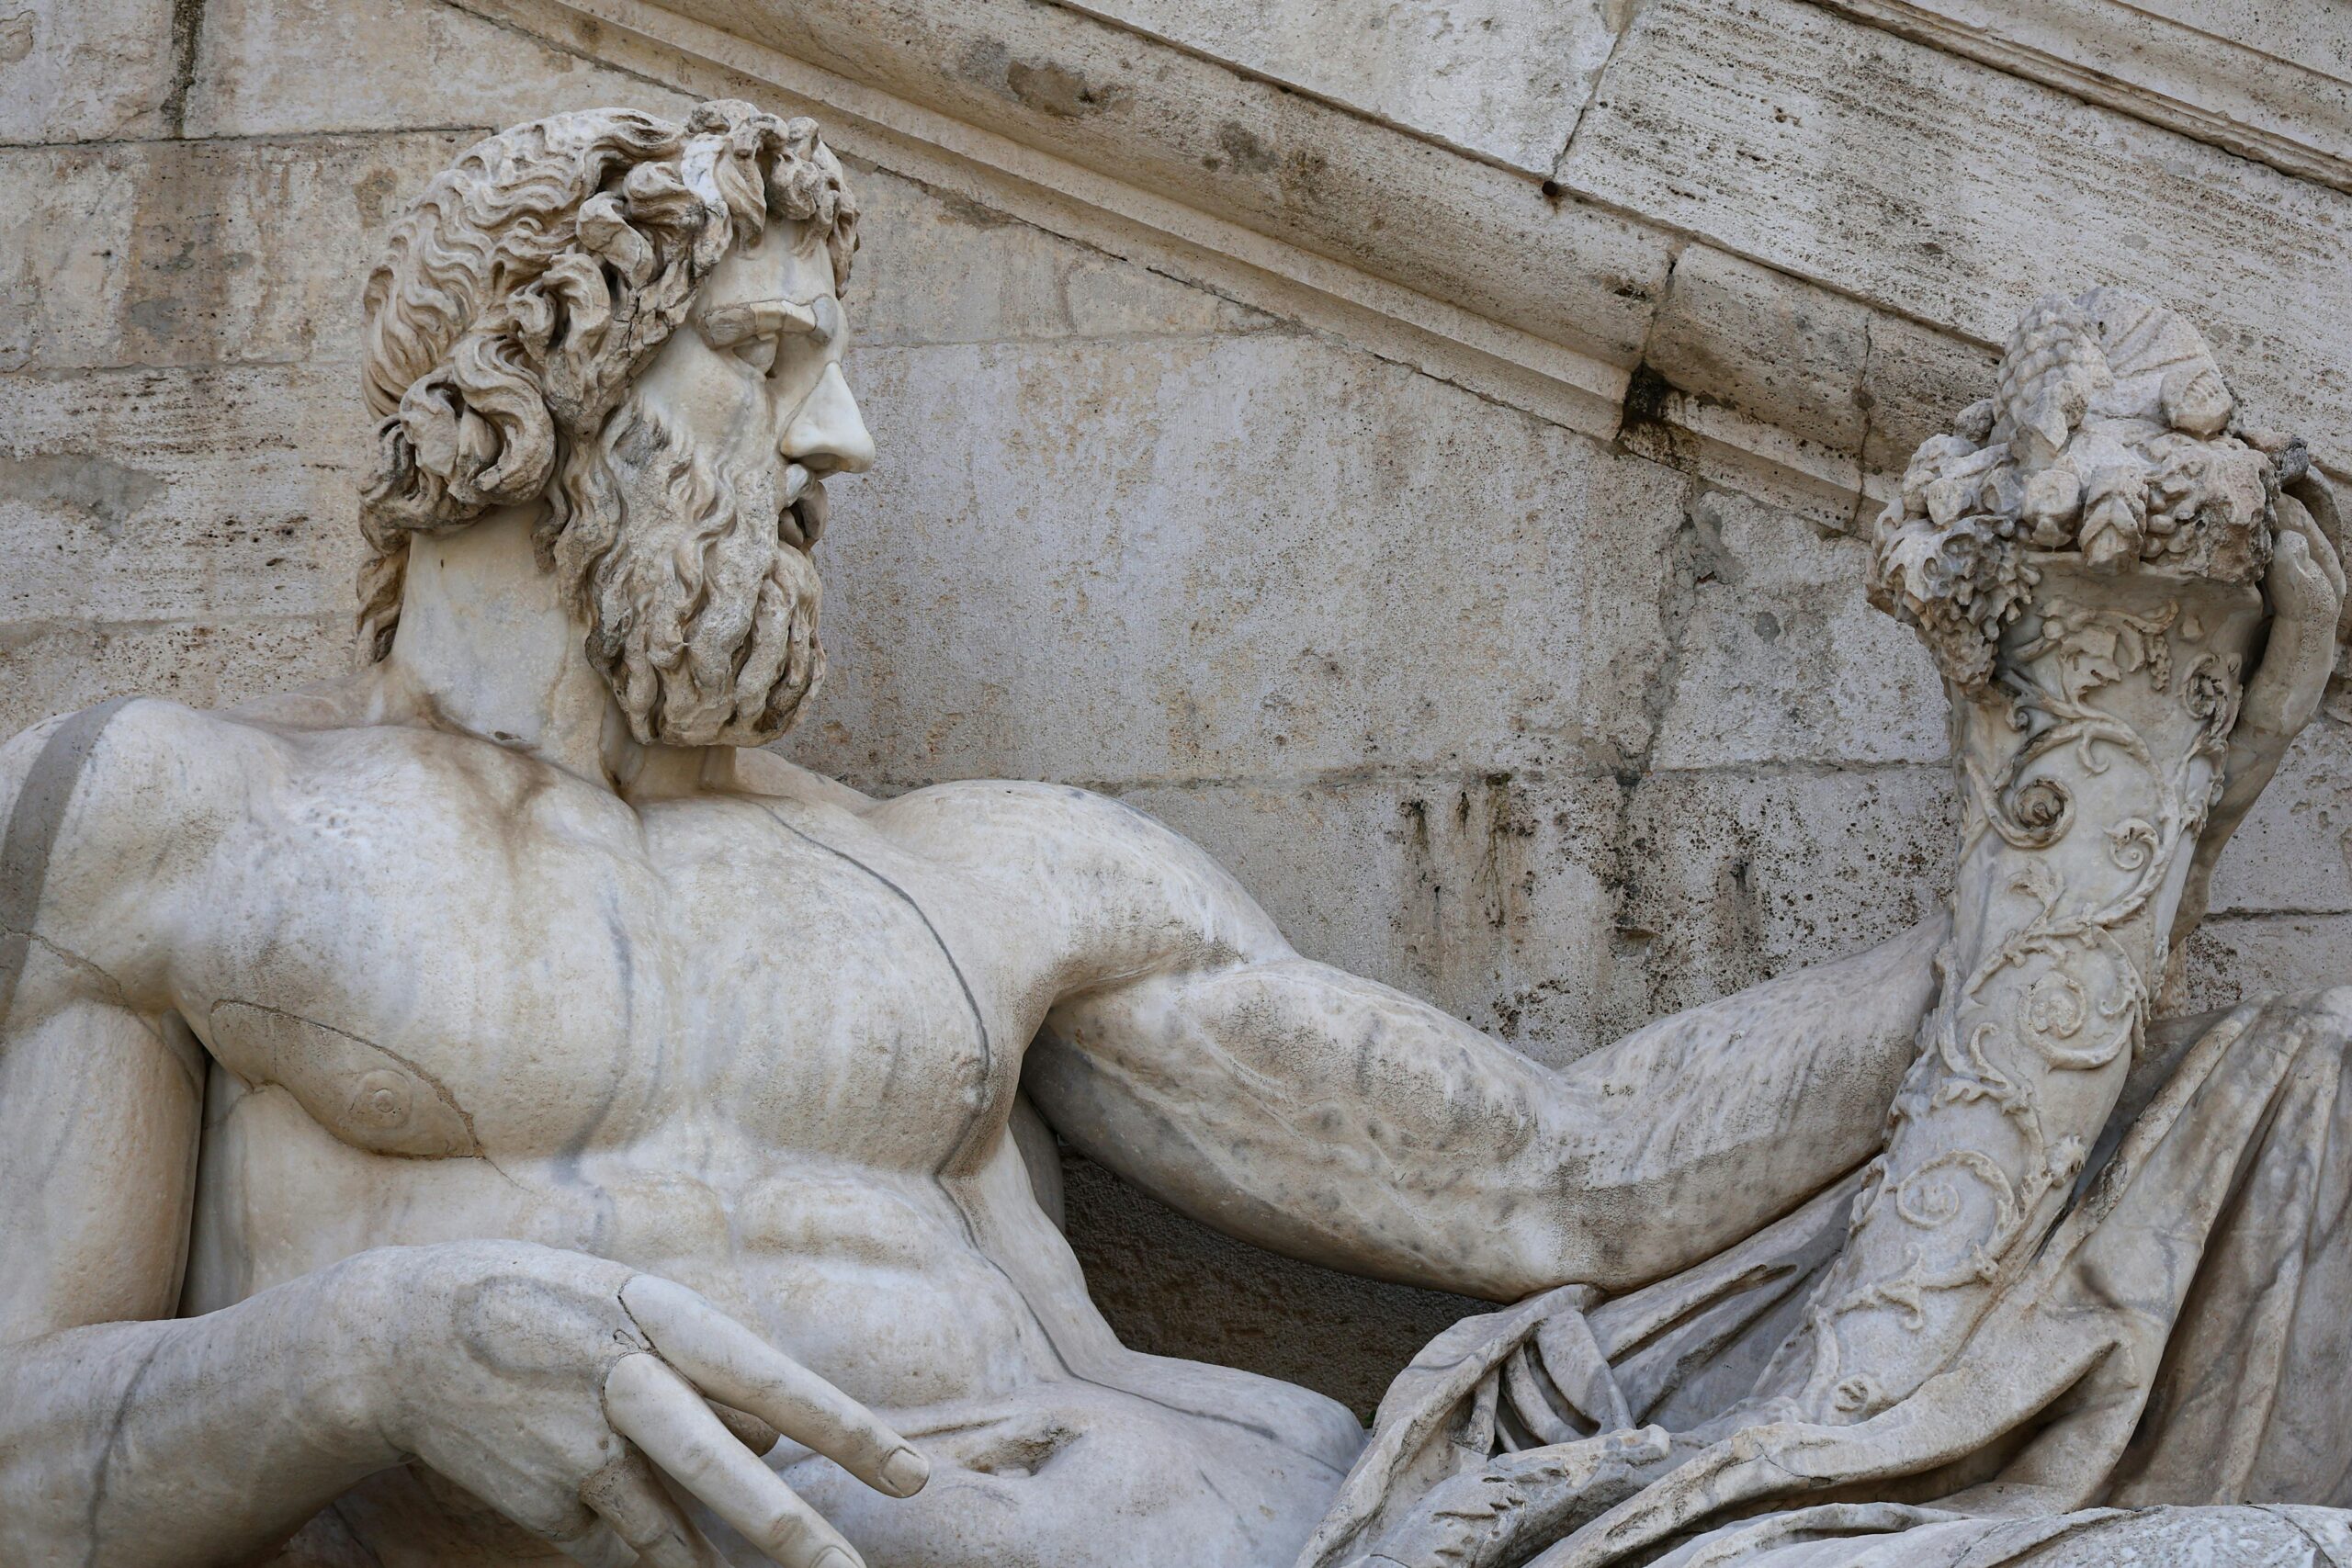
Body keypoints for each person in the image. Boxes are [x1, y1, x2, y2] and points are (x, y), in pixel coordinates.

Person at [0, 103, 2334, 1568]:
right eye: (764, 353)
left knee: (2277, 1164)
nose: (845, 445)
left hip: (1311, 1535)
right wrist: (370, 1356)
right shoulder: (190, 815)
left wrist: (2097, 837)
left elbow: (1560, 1175)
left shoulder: (989, 871)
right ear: (540, 389)